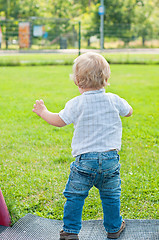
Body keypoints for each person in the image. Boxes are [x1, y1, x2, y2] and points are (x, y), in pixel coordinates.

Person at [33, 52, 133, 239]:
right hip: (110, 159)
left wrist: (43, 112)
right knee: (111, 196)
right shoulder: (114, 99)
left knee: (75, 196)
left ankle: (70, 231)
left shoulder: (76, 103)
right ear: (106, 78)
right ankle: (113, 228)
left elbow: (59, 120)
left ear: (77, 81)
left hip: (84, 162)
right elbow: (129, 112)